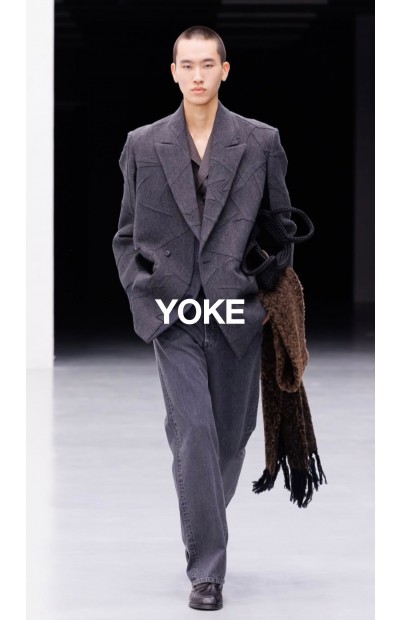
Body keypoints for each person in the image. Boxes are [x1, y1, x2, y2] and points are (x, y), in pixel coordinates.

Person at [112, 25, 295, 611]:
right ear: (173, 72)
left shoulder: (260, 141)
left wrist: (262, 290)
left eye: (207, 64)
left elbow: (281, 228)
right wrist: (143, 292)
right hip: (173, 313)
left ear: (224, 69)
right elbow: (126, 234)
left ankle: (204, 517)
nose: (197, 75)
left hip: (236, 311)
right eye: (187, 65)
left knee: (231, 440)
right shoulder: (143, 144)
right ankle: (207, 573)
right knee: (192, 432)